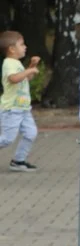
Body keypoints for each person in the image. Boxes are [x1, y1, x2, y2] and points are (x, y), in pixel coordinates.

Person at [0, 31, 40, 172]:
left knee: (31, 133)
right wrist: (29, 71)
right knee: (7, 139)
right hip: (12, 109)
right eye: (21, 44)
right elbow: (13, 79)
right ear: (11, 49)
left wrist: (30, 66)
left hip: (23, 108)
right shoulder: (9, 63)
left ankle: (18, 160)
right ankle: (18, 161)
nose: (25, 47)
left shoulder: (16, 63)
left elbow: (24, 79)